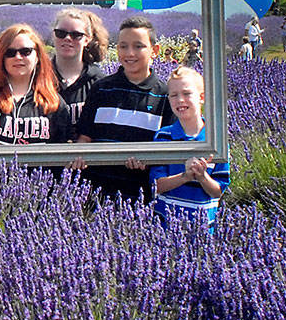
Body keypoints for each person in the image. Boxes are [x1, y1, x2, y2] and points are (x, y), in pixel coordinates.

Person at [72, 16, 172, 203]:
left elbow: (168, 150)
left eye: (138, 46)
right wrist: (79, 154)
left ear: (155, 51)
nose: (129, 53)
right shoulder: (102, 88)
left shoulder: (166, 95)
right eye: (123, 46)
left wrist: (149, 160)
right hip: (96, 194)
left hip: (139, 198)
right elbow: (85, 137)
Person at [148, 67, 230, 231]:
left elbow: (217, 191)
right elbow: (157, 186)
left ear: (201, 97)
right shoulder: (163, 137)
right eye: (174, 95)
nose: (180, 100)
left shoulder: (216, 140)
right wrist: (186, 176)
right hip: (165, 227)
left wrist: (201, 176)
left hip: (203, 230)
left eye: (186, 94)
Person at [50, 8, 109, 128]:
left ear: (87, 40)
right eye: (60, 33)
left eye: (76, 35)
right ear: (53, 35)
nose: (67, 38)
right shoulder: (38, 77)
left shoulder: (99, 82)